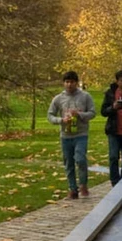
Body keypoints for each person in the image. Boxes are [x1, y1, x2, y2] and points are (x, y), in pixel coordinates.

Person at [47, 70, 96, 199]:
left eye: (72, 82)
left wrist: (80, 114)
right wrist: (60, 120)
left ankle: (83, 184)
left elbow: (92, 113)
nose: (69, 85)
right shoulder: (58, 98)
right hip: (65, 135)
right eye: (67, 82)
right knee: (68, 162)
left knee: (80, 159)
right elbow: (50, 115)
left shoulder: (85, 96)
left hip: (81, 134)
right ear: (64, 83)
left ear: (76, 82)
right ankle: (72, 189)